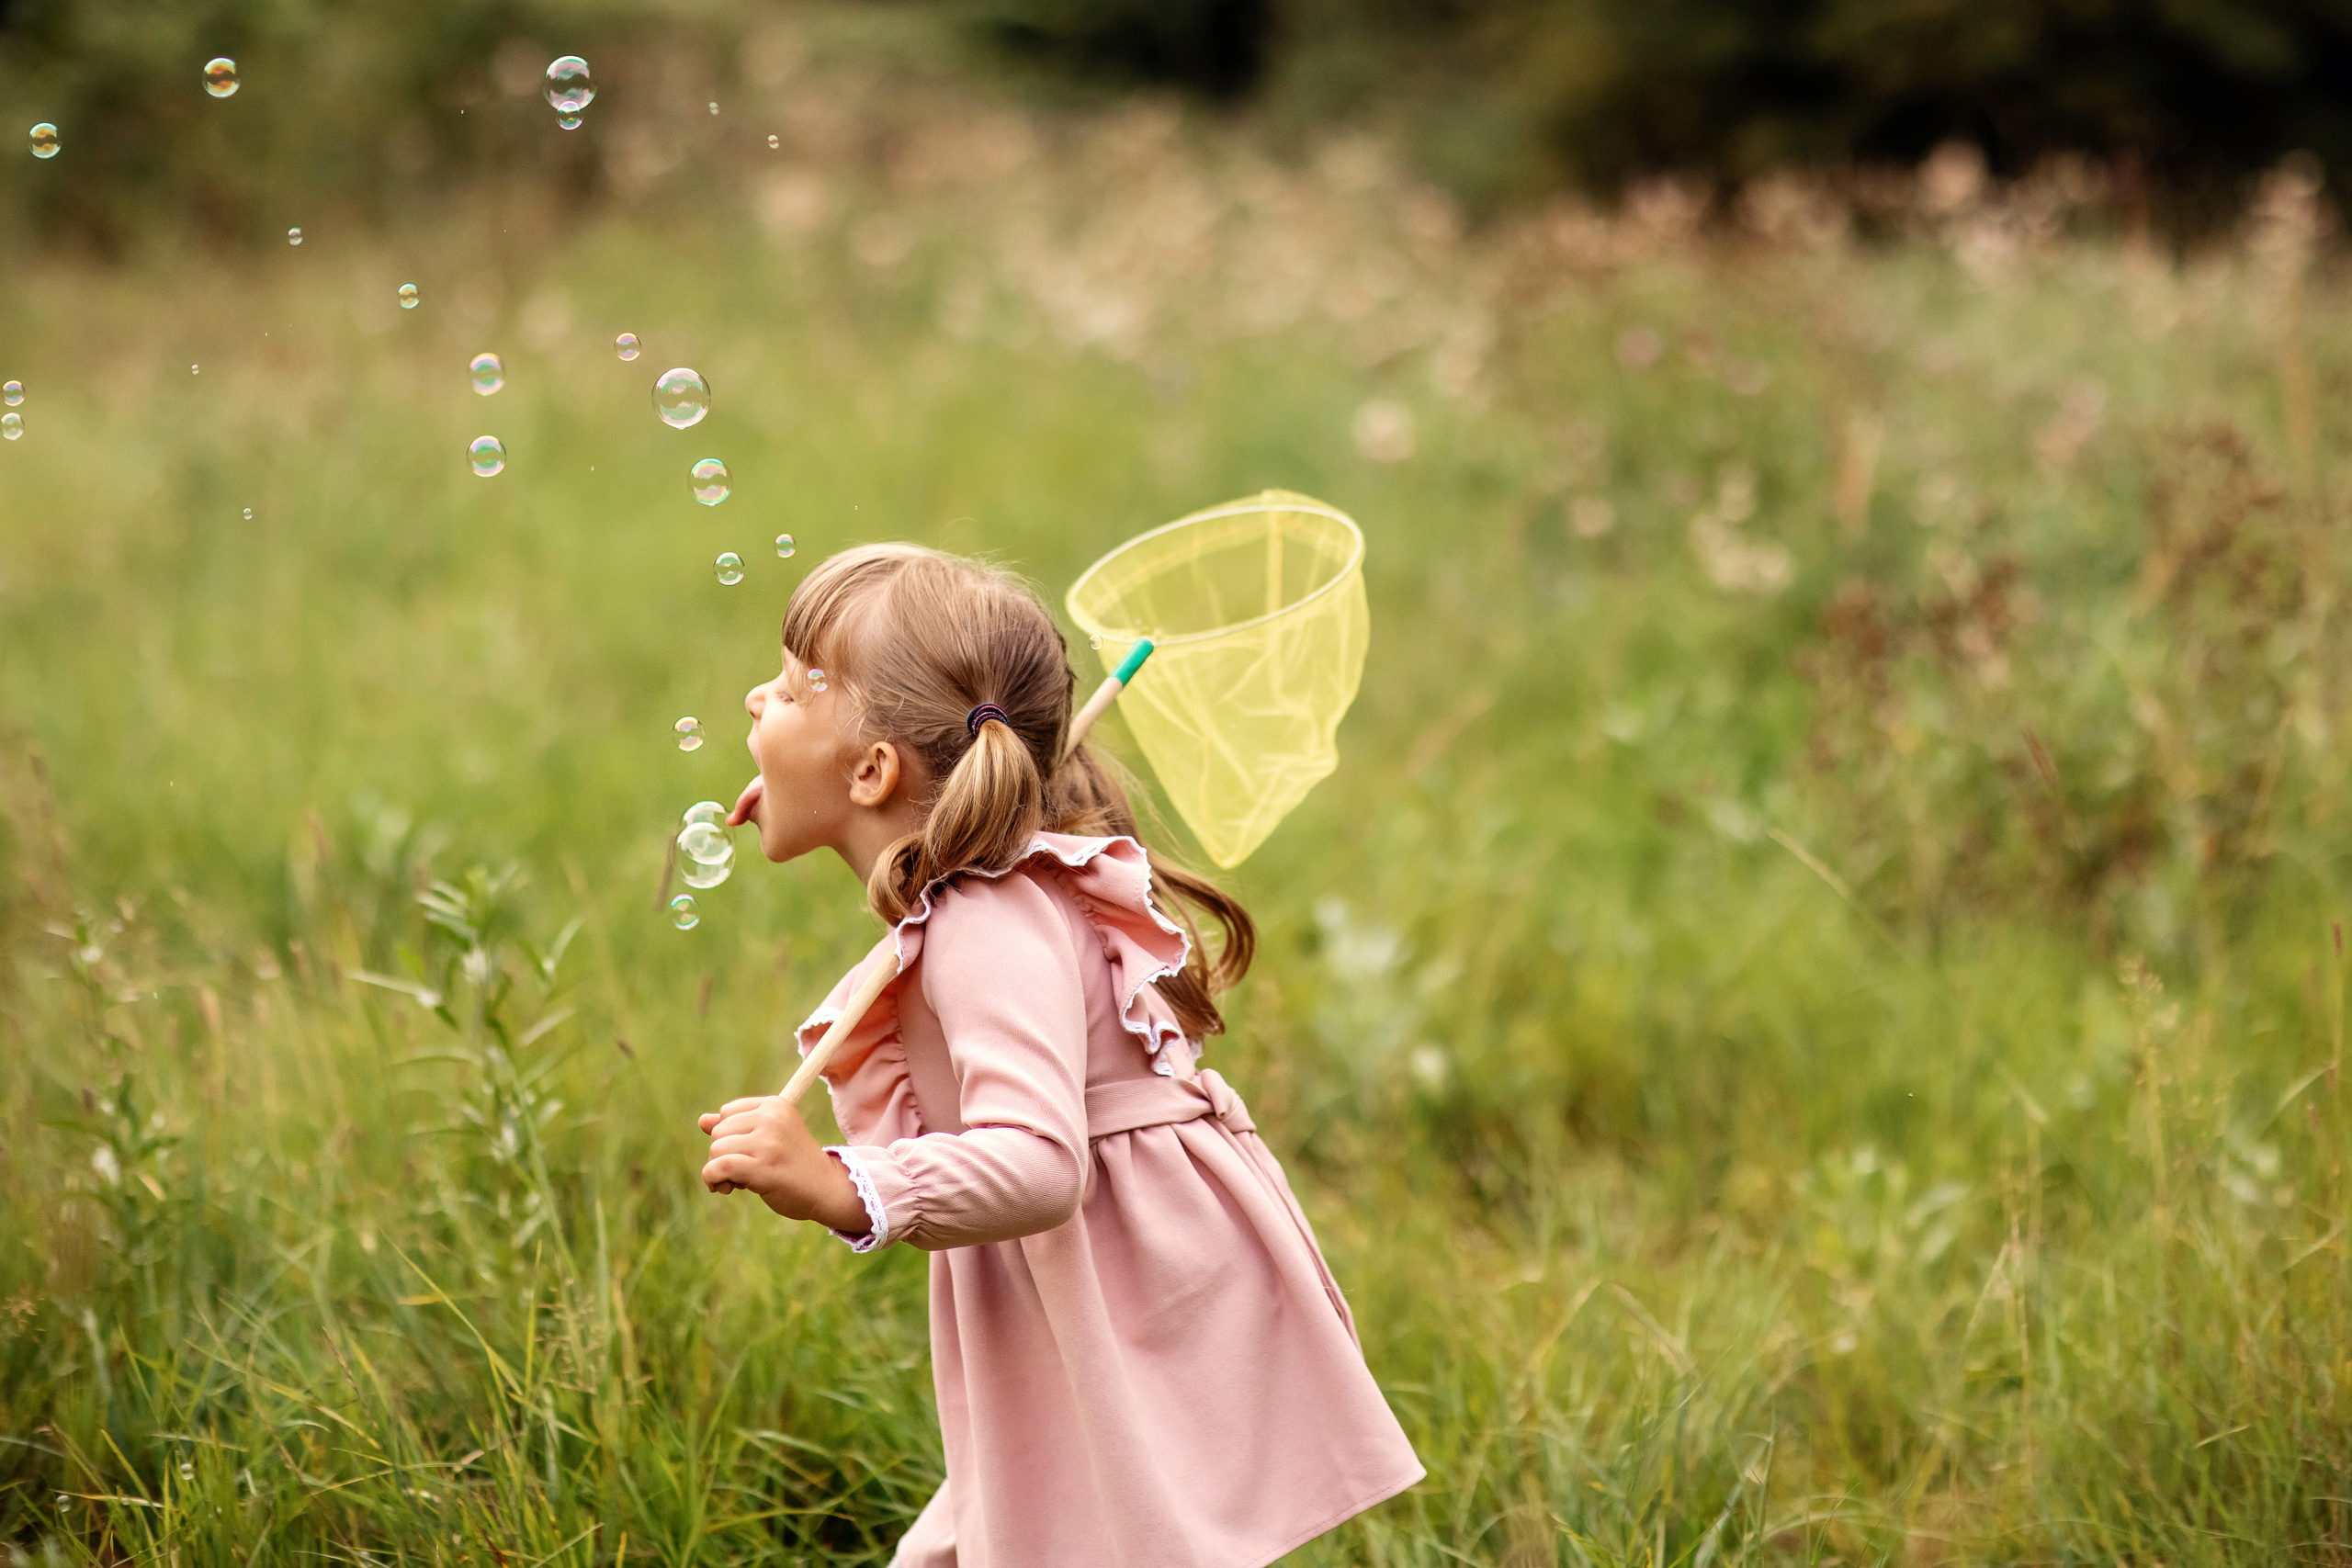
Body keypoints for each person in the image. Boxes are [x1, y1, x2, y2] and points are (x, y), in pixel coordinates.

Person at [695, 544, 1423, 1567]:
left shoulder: (985, 922)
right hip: (1073, 1291)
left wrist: (836, 1183)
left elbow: (1039, 1164)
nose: (752, 699)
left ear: (870, 771)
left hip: (1121, 1293)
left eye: (784, 687)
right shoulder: (966, 909)